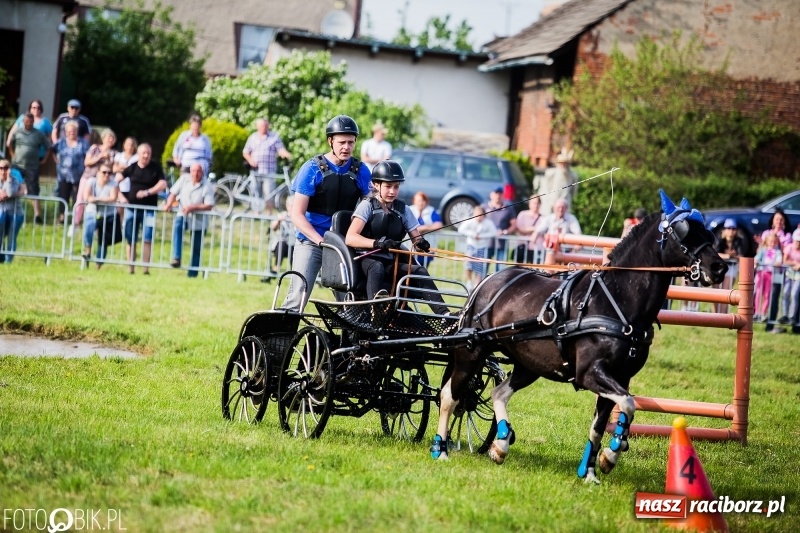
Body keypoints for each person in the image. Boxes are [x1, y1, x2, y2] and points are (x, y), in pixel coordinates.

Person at [281, 115, 372, 311]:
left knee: (351, 300)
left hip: (342, 244)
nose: (346, 147)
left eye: (351, 142)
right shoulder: (311, 169)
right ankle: (280, 340)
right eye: (342, 142)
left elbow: (371, 206)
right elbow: (297, 214)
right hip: (311, 242)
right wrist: (318, 240)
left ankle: (348, 341)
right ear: (330, 141)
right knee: (298, 295)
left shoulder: (361, 171)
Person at [345, 160, 449, 315]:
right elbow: (350, 238)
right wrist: (377, 243)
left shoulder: (403, 209)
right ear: (376, 185)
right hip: (366, 259)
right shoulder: (366, 205)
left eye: (396, 187)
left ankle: (444, 315)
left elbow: (416, 239)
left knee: (419, 270)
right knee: (377, 267)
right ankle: (376, 310)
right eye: (388, 186)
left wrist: (422, 244)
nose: (392, 191)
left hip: (390, 261)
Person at [120, 143, 168, 275]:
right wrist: (120, 196)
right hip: (131, 208)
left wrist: (148, 192)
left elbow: (163, 183)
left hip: (149, 210)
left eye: (148, 153)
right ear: (139, 154)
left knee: (147, 238)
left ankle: (145, 269)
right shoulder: (133, 167)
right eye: (143, 153)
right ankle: (131, 268)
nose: (146, 155)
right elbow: (116, 180)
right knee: (131, 238)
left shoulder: (155, 168)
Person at [163, 162, 214, 278]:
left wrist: (193, 207)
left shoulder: (207, 185)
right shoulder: (183, 179)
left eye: (198, 171)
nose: (195, 174)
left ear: (202, 172)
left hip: (199, 220)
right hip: (183, 214)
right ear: (190, 172)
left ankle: (193, 273)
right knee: (178, 226)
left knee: (196, 247)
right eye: (193, 171)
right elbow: (173, 193)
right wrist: (169, 204)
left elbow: (209, 205)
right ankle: (177, 257)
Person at [5, 100, 52, 224]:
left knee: (33, 190)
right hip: (17, 165)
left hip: (32, 166)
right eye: (25, 121)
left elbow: (49, 147)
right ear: (23, 121)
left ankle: (38, 216)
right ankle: (11, 211)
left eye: (30, 122)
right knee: (13, 187)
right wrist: (12, 155)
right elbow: (9, 144)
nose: (27, 123)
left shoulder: (39, 134)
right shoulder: (18, 132)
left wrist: (45, 160)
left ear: (33, 122)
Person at [242, 117, 292, 213]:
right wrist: (250, 160)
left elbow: (281, 149)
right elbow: (245, 152)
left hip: (269, 171)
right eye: (261, 126)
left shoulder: (274, 137)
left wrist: (287, 155)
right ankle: (257, 214)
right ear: (257, 127)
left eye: (265, 125)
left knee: (269, 193)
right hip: (255, 170)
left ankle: (269, 214)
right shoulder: (253, 137)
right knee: (255, 193)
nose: (263, 127)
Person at [80, 163, 119, 268]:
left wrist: (97, 199)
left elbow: (113, 198)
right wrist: (94, 199)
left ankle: (98, 265)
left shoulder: (113, 184)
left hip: (108, 214)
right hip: (92, 212)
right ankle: (88, 251)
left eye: (109, 173)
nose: (106, 175)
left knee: (103, 240)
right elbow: (87, 196)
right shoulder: (91, 181)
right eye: (104, 172)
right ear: (98, 173)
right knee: (88, 230)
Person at [76, 128, 118, 226]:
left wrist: (109, 160)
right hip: (88, 177)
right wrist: (99, 157)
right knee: (81, 199)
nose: (110, 141)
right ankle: (76, 222)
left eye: (112, 139)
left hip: (103, 181)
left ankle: (96, 224)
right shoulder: (95, 148)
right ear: (103, 139)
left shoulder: (114, 153)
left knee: (99, 201)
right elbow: (87, 162)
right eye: (108, 138)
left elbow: (113, 169)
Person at [52, 120, 91, 224]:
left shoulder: (83, 143)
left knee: (76, 197)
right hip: (63, 175)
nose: (71, 133)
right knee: (63, 196)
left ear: (77, 131)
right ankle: (62, 217)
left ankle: (76, 218)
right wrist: (57, 161)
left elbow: (89, 155)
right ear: (65, 132)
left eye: (73, 131)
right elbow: (52, 151)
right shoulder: (60, 142)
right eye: (69, 131)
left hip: (78, 175)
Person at [458, 205, 497, 291]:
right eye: (477, 215)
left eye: (481, 215)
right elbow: (461, 229)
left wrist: (482, 236)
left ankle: (477, 285)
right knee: (468, 265)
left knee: (480, 267)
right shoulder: (470, 221)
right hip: (471, 245)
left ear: (484, 215)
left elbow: (494, 232)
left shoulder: (488, 223)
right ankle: (469, 283)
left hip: (482, 247)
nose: (479, 217)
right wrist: (472, 234)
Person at [714, 218, 746, 313]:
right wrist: (727, 256)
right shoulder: (719, 240)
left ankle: (723, 314)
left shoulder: (739, 241)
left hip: (731, 268)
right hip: (719, 268)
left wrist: (733, 256)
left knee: (726, 290)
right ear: (724, 230)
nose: (731, 231)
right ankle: (716, 314)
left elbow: (741, 256)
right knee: (716, 291)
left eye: (733, 228)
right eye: (729, 228)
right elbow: (714, 254)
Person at [481, 186, 516, 271]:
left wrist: (505, 232)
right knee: (483, 269)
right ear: (491, 195)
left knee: (500, 271)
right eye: (496, 193)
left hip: (501, 245)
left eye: (500, 194)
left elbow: (514, 225)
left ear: (503, 195)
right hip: (486, 244)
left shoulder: (508, 209)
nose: (498, 196)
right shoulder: (484, 207)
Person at [537, 148, 578, 217]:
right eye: (561, 163)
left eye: (565, 163)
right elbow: (548, 186)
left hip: (565, 201)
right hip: (553, 201)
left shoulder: (572, 175)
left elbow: (573, 190)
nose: (563, 165)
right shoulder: (551, 173)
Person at [754, 231, 783, 322]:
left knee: (767, 294)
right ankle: (756, 312)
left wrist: (778, 262)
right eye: (771, 241)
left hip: (771, 274)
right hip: (761, 273)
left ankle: (763, 313)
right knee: (758, 292)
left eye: (774, 241)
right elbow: (757, 258)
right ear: (767, 241)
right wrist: (757, 261)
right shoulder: (763, 250)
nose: (772, 243)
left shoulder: (777, 251)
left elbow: (779, 259)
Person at [264, 195, 295, 280]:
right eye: (290, 205)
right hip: (281, 244)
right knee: (282, 244)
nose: (292, 208)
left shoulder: (298, 217)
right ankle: (275, 268)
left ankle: (295, 272)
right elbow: (273, 227)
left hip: (294, 244)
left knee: (295, 248)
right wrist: (279, 221)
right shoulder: (282, 215)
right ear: (287, 206)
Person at [0, 159, 25, 263]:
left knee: (11, 236)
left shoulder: (14, 180)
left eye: (5, 168)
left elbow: (9, 193)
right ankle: (1, 258)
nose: (3, 170)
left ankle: (8, 260)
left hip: (16, 214)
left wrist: (8, 180)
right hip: (2, 213)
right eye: (1, 168)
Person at [409, 191, 442, 268]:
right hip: (411, 249)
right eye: (419, 201)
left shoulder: (431, 211)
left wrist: (423, 228)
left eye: (423, 201)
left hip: (427, 248)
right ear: (414, 201)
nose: (421, 203)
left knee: (423, 270)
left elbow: (438, 225)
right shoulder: (409, 210)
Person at [514, 196, 545, 264]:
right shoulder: (522, 214)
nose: (536, 205)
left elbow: (544, 230)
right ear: (529, 203)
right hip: (523, 247)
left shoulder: (543, 218)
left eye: (537, 203)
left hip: (536, 249)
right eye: (534, 203)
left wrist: (528, 229)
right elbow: (520, 229)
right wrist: (536, 229)